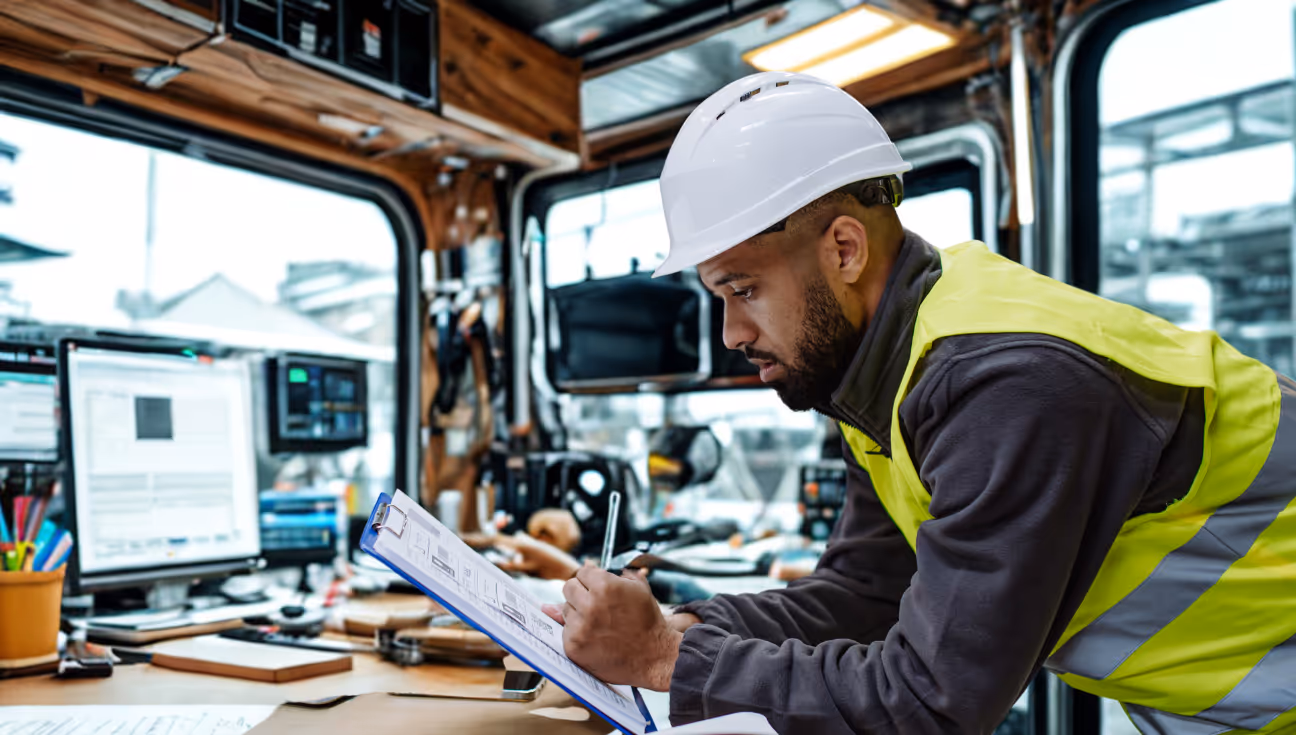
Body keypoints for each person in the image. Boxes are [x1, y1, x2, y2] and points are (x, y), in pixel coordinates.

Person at [540, 71, 1296, 734]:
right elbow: (868, 593)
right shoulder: (885, 373)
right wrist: (685, 624)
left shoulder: (1008, 381)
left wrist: (665, 658)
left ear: (844, 248)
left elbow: (930, 703)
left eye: (744, 290)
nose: (733, 332)